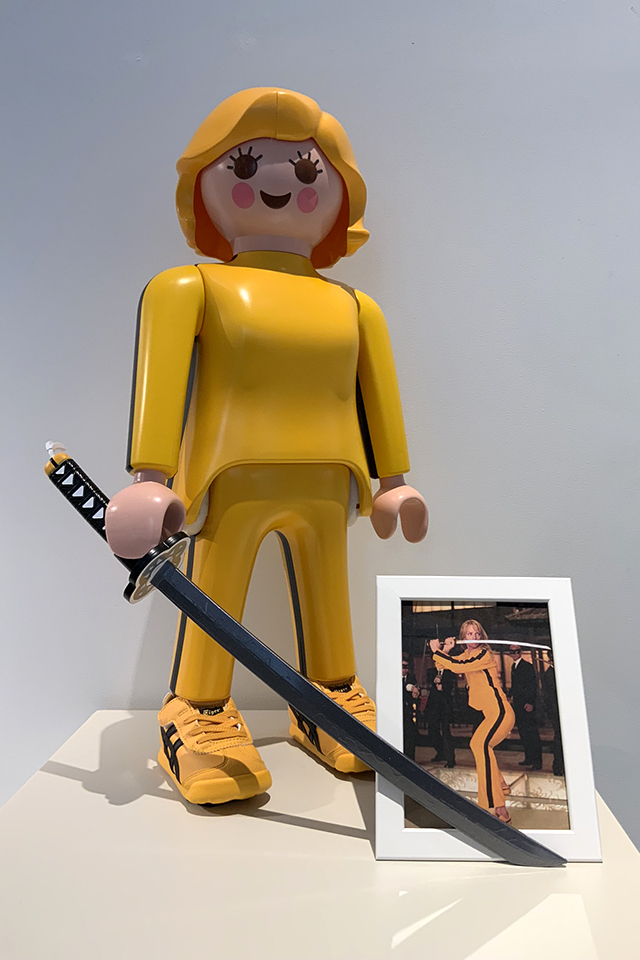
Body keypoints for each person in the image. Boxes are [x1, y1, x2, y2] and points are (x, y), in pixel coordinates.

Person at [104, 88, 429, 806]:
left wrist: (393, 481)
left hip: (331, 477)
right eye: (246, 164)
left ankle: (330, 699)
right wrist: (149, 477)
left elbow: (379, 394)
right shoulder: (187, 288)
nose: (279, 183)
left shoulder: (356, 307)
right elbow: (162, 382)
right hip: (231, 476)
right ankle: (197, 711)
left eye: (309, 172)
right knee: (217, 590)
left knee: (329, 593)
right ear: (204, 186)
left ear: (341, 195)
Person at [431, 620, 514, 822]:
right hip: (491, 713)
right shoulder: (467, 655)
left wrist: (437, 651)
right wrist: (445, 650)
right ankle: (500, 788)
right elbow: (443, 665)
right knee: (478, 745)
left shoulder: (484, 655)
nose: (474, 637)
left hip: (501, 711)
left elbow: (458, 666)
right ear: (463, 637)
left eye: (477, 634)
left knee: (480, 745)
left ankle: (494, 805)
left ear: (481, 636)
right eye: (469, 634)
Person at [423, 638, 457, 767]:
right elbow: (429, 680)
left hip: (445, 705)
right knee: (432, 731)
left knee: (446, 732)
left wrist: (442, 686)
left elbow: (450, 686)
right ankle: (440, 752)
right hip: (434, 706)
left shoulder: (450, 671)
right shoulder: (431, 671)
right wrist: (435, 681)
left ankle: (450, 759)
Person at [509, 645, 543, 770]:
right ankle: (529, 757)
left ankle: (537, 761)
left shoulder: (527, 666)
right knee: (524, 732)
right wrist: (510, 695)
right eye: (512, 651)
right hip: (519, 704)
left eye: (516, 651)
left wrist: (530, 702)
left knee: (532, 733)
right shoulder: (514, 666)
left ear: (521, 652)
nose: (514, 654)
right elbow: (515, 685)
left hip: (526, 705)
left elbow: (532, 686)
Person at [543, 657, 565, 776]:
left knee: (560, 738)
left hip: (559, 711)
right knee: (559, 738)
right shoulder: (550, 674)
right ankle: (558, 767)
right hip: (556, 711)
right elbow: (550, 697)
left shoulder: (555, 672)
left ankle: (559, 766)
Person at [402, 657, 420, 760]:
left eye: (406, 667)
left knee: (410, 735)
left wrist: (416, 691)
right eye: (402, 667)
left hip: (408, 711)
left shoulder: (411, 677)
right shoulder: (395, 677)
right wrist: (411, 688)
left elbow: (414, 686)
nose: (404, 670)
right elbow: (406, 686)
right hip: (399, 711)